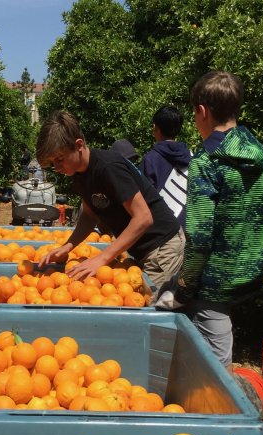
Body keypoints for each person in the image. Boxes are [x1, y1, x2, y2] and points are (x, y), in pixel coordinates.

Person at [157, 71, 263, 369]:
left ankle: (218, 410)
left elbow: (199, 236)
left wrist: (183, 289)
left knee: (214, 365)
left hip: (215, 276)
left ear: (202, 111)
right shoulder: (258, 153)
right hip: (250, 266)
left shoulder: (208, 161)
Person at [36, 111, 184, 296]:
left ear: (79, 145)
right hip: (141, 249)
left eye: (60, 159)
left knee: (151, 307)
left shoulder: (109, 168)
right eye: (52, 163)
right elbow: (90, 215)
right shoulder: (79, 176)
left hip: (162, 247)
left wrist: (102, 258)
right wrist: (68, 246)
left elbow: (144, 218)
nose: (57, 168)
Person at [140, 105, 191, 228]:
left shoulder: (150, 160)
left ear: (155, 128)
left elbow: (143, 200)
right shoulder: (192, 157)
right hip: (188, 227)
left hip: (163, 231)